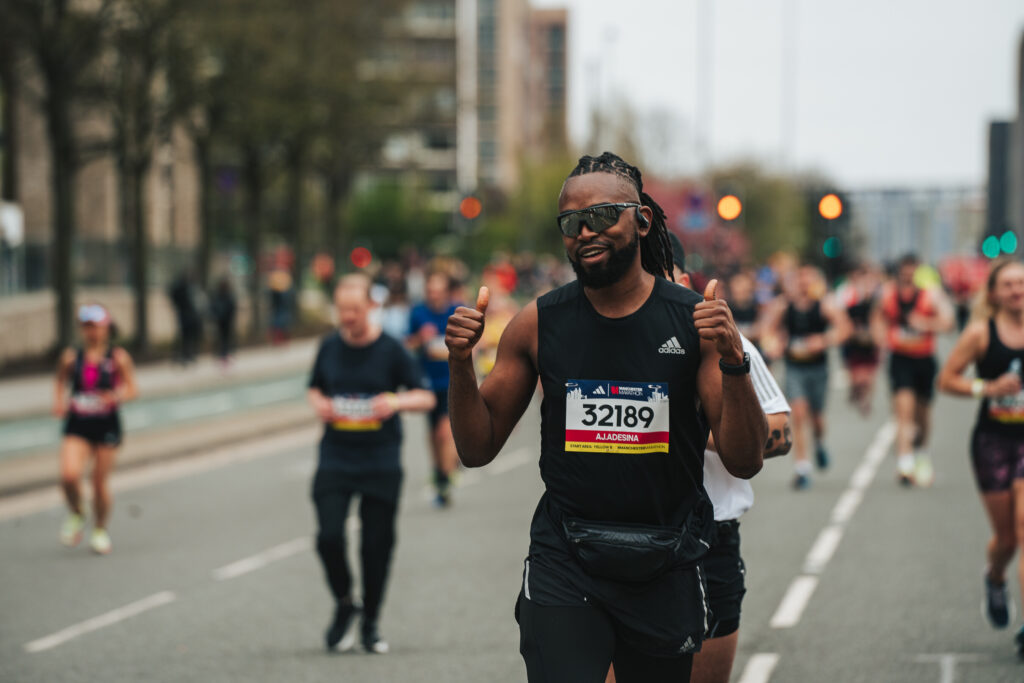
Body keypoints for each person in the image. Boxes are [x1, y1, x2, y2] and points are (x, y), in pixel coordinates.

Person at [445, 152, 767, 682]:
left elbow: (746, 458)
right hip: (567, 559)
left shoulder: (692, 322)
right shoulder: (537, 324)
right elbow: (476, 449)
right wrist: (460, 365)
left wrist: (734, 361)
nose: (584, 232)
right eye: (571, 223)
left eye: (600, 216)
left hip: (665, 560)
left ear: (641, 219)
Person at [307, 274, 435, 654]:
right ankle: (347, 603)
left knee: (375, 545)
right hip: (336, 456)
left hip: (380, 459)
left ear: (371, 307)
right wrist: (320, 405)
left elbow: (425, 397)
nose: (347, 316)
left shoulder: (391, 350)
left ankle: (371, 620)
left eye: (354, 309)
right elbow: (314, 386)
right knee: (328, 537)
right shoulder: (328, 347)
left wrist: (394, 403)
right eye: (342, 309)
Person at [938, 259, 1024, 657]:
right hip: (993, 442)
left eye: (1021, 283)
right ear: (993, 293)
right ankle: (994, 576)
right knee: (1007, 537)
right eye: (1007, 284)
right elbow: (948, 379)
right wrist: (987, 388)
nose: (1016, 290)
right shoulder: (980, 333)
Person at [53, 304, 138, 554]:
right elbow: (60, 382)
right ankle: (78, 512)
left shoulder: (118, 358)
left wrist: (116, 395)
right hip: (78, 423)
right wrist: (58, 402)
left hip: (106, 425)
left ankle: (100, 529)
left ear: (106, 327)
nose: (92, 332)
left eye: (96, 326)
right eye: (87, 326)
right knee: (69, 476)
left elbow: (133, 389)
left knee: (99, 483)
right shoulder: (71, 357)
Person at [765, 266, 851, 489]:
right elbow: (768, 331)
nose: (803, 285)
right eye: (799, 280)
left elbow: (844, 329)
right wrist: (775, 345)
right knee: (799, 413)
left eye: (807, 281)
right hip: (794, 368)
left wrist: (823, 340)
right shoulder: (784, 306)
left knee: (817, 418)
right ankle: (802, 468)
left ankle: (820, 442)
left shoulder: (824, 305)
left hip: (818, 368)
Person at [872, 253, 954, 486]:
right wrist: (881, 338)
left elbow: (948, 322)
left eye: (912, 270)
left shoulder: (931, 295)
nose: (907, 274)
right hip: (900, 360)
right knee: (903, 410)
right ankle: (905, 462)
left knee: (922, 414)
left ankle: (922, 453)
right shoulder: (888, 295)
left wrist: (926, 323)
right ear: (899, 271)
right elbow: (877, 318)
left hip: (924, 360)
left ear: (918, 271)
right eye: (904, 270)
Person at [408, 271, 462, 506]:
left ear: (446, 292)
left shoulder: (457, 311)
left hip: (452, 380)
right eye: (431, 291)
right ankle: (438, 468)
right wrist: (420, 338)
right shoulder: (418, 313)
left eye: (439, 292)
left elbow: (474, 342)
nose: (434, 296)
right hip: (427, 381)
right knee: (432, 434)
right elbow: (406, 345)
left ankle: (445, 477)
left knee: (444, 431)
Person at [837, 264, 882, 416]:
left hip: (870, 343)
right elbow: (842, 316)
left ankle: (865, 399)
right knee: (857, 377)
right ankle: (856, 391)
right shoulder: (847, 293)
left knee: (869, 377)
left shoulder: (877, 296)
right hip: (853, 343)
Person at [168, 269, 201, 364]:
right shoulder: (183, 288)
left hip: (189, 315)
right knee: (185, 336)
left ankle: (188, 355)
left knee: (189, 336)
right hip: (185, 315)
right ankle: (184, 355)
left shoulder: (191, 287)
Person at [208, 276, 237, 365]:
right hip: (222, 320)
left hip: (225, 320)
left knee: (225, 338)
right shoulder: (220, 296)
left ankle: (225, 354)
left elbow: (232, 307)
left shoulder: (225, 295)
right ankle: (223, 354)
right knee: (223, 338)